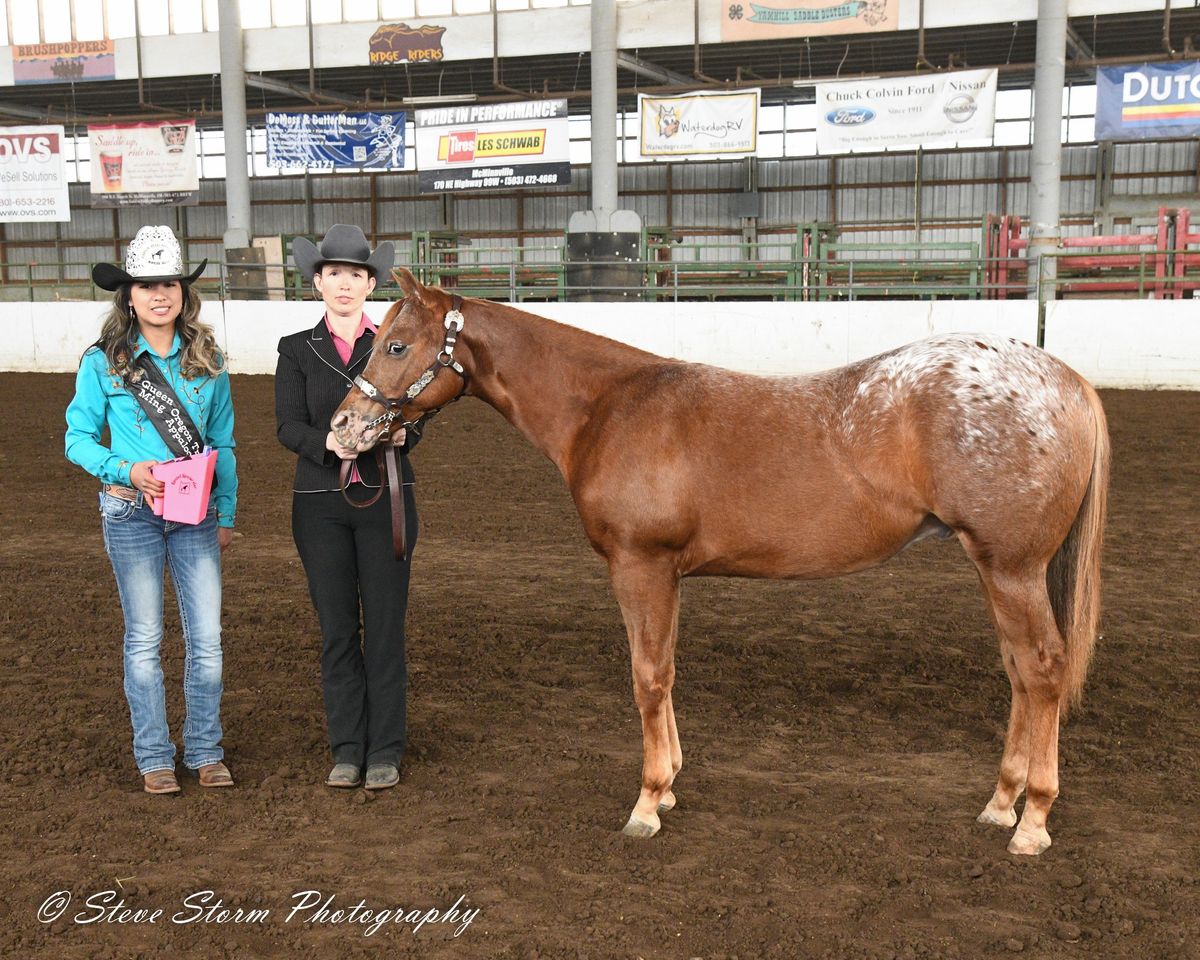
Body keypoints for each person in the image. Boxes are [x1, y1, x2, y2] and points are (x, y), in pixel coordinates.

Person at [65, 225, 238, 795]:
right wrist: (126, 470)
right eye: (146, 286)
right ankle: (155, 756)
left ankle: (207, 750)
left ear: (184, 293)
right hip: (130, 512)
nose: (160, 294)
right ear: (129, 296)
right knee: (144, 639)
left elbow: (223, 443)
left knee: (206, 639)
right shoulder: (103, 362)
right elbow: (78, 438)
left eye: (169, 284)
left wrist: (228, 512)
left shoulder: (209, 360)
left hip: (196, 514)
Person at [275, 224, 419, 791]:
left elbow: (415, 412)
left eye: (355, 275)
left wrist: (407, 436)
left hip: (387, 498)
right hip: (319, 503)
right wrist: (327, 445)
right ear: (317, 283)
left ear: (369, 284)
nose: (344, 283)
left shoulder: (391, 346)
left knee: (384, 629)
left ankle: (385, 747)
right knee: (338, 628)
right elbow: (287, 424)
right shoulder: (295, 350)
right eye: (333, 273)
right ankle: (347, 747)